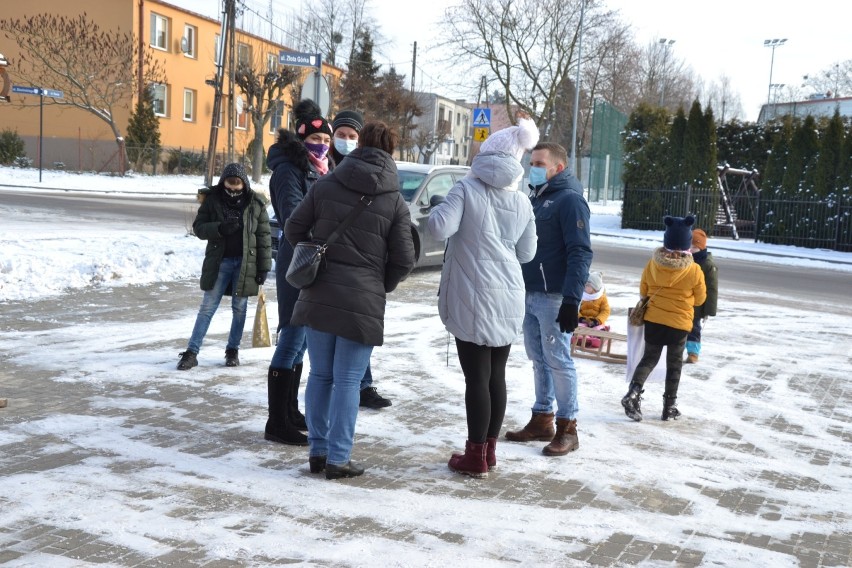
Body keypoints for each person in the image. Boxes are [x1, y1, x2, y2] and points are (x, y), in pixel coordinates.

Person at [284, 122, 415, 480]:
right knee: (348, 381)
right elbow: (404, 259)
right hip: (363, 299)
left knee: (320, 375)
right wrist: (378, 283)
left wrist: (316, 255)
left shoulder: (326, 183)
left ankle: (318, 452)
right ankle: (339, 459)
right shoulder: (393, 199)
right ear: (391, 151)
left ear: (358, 147)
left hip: (318, 293)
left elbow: (294, 228)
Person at [428, 114, 538, 478]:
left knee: (475, 377)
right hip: (509, 294)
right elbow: (527, 253)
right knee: (496, 375)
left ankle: (474, 455)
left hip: (471, 295)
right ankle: (489, 451)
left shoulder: (465, 188)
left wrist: (441, 205)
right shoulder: (522, 200)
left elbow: (440, 226)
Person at [504, 142, 592, 457]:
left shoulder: (570, 201)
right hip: (529, 293)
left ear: (558, 167)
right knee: (538, 359)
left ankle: (569, 428)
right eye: (532, 161)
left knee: (559, 361)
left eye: (540, 162)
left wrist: (572, 299)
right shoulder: (538, 199)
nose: (534, 167)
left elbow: (580, 251)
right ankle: (543, 418)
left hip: (555, 297)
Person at [264, 99, 333, 446]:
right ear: (302, 138)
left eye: (326, 141)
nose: (321, 146)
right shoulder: (288, 171)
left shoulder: (322, 169)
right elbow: (293, 215)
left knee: (303, 339)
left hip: (314, 260)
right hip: (297, 261)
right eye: (316, 140)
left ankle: (290, 410)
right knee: (292, 335)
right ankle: (276, 420)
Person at [177, 163, 272, 370]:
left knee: (239, 309)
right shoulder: (213, 201)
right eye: (230, 183)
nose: (234, 188)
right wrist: (220, 228)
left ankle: (232, 351)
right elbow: (199, 228)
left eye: (238, 184)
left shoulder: (255, 204)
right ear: (223, 182)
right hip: (219, 263)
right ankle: (192, 352)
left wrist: (263, 268)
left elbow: (264, 237)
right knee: (207, 308)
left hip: (246, 264)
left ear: (244, 184)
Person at [331, 109, 393, 410]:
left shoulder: (379, 180)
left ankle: (364, 385)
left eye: (351, 137)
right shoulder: (327, 171)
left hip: (358, 276)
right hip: (331, 274)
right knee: (329, 366)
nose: (346, 141)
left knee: (351, 341)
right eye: (340, 135)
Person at [621, 215, 707, 422]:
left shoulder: (653, 264)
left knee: (649, 358)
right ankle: (669, 407)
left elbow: (644, 291)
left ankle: (633, 393)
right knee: (674, 365)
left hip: (654, 321)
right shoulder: (694, 269)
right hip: (679, 324)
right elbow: (700, 299)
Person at [686, 229, 717, 363]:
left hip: (698, 305)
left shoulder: (707, 264)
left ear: (701, 247)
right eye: (690, 246)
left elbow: (712, 288)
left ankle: (693, 352)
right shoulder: (685, 259)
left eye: (694, 247)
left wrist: (709, 311)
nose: (691, 250)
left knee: (694, 329)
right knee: (679, 328)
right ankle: (675, 351)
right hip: (684, 301)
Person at [574, 271, 611, 349]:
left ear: (594, 287)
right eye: (585, 285)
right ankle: (581, 337)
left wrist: (597, 320)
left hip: (595, 322)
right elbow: (576, 308)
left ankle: (596, 338)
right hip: (583, 321)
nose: (585, 287)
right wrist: (580, 318)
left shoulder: (602, 298)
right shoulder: (582, 296)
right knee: (579, 327)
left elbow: (605, 311)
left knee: (598, 329)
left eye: (587, 286)